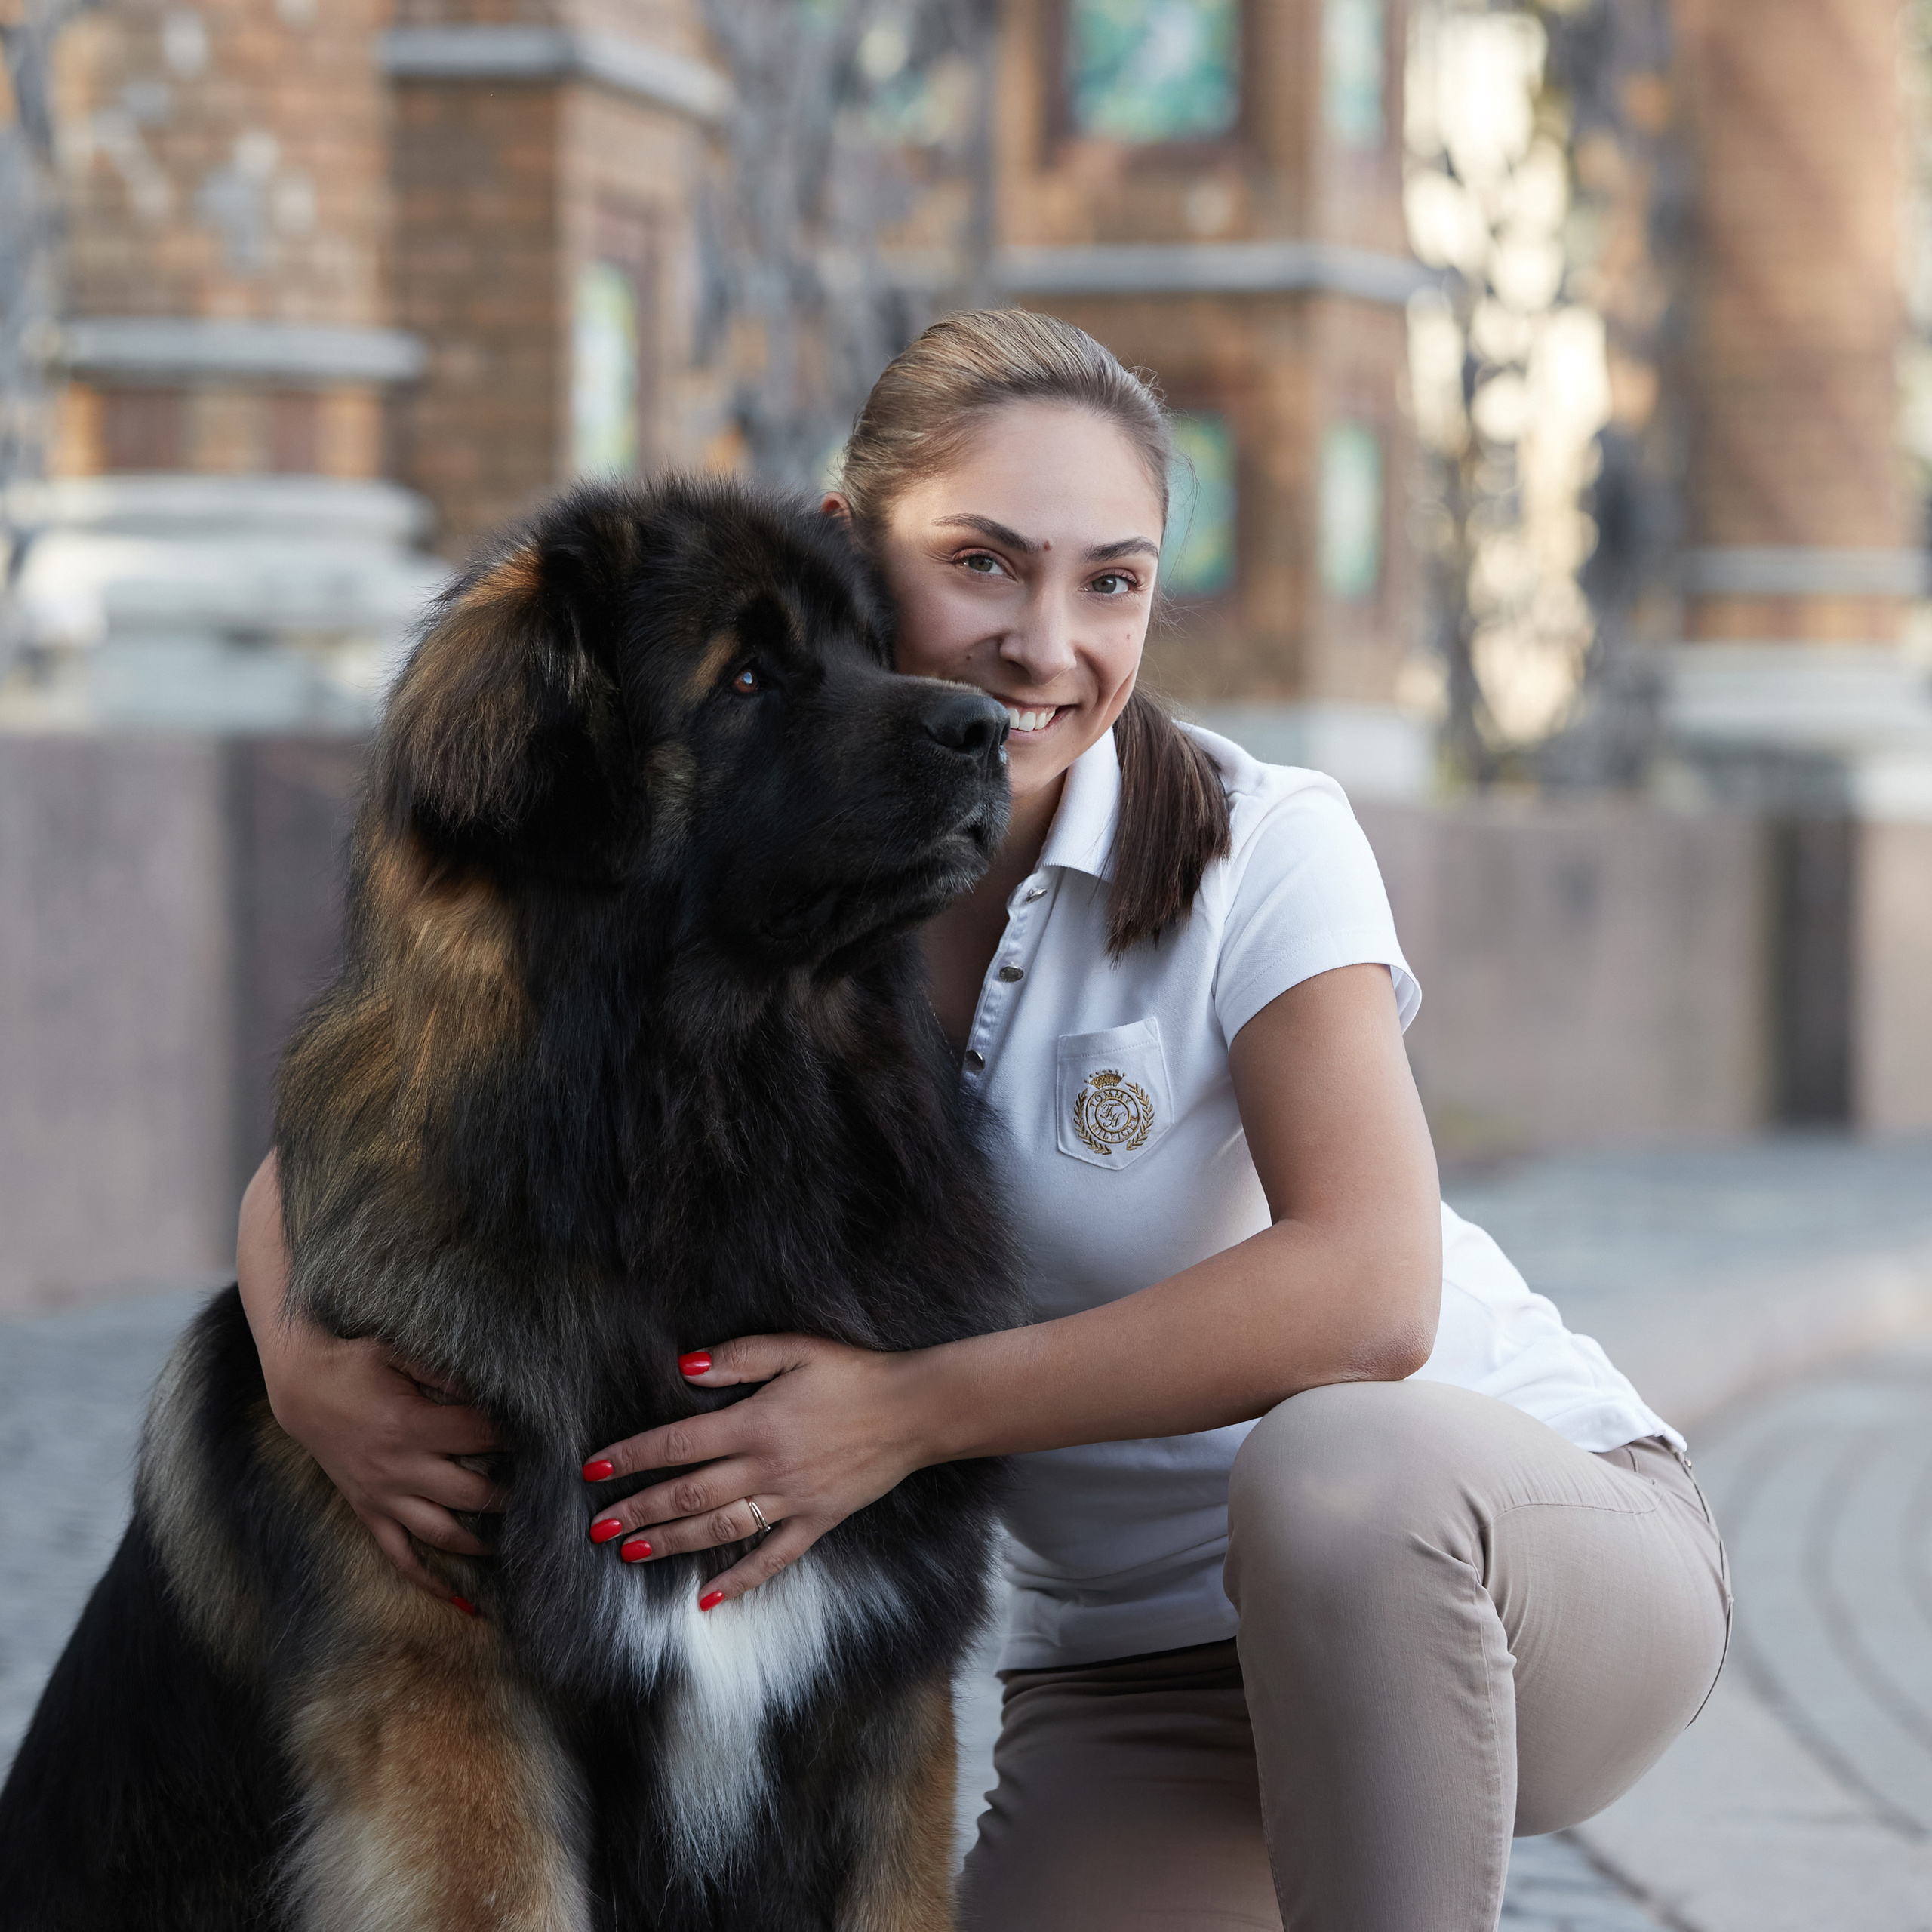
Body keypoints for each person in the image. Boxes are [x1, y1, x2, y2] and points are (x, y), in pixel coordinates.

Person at [236, 309, 1729, 1931]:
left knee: (1335, 1471)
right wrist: (304, 1363)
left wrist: (906, 1411)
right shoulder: (804, 881)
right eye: (983, 562)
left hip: (1505, 1558)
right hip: (1147, 1674)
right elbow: (414, 1112)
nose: (1046, 642)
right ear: (842, 552)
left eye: (1112, 581)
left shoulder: (1258, 843)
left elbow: (1370, 1294)